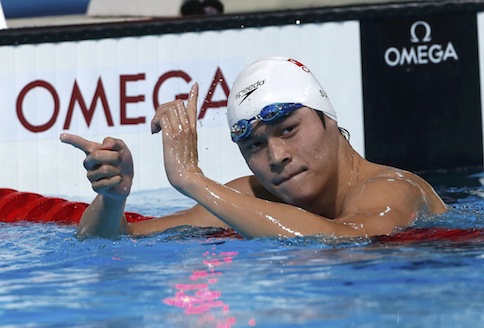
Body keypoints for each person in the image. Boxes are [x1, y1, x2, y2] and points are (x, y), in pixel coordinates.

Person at [60, 56, 447, 239]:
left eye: (289, 129)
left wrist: (192, 179)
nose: (276, 156)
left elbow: (354, 240)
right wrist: (112, 199)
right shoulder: (251, 196)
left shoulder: (391, 188)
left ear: (328, 118)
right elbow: (112, 242)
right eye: (255, 145)